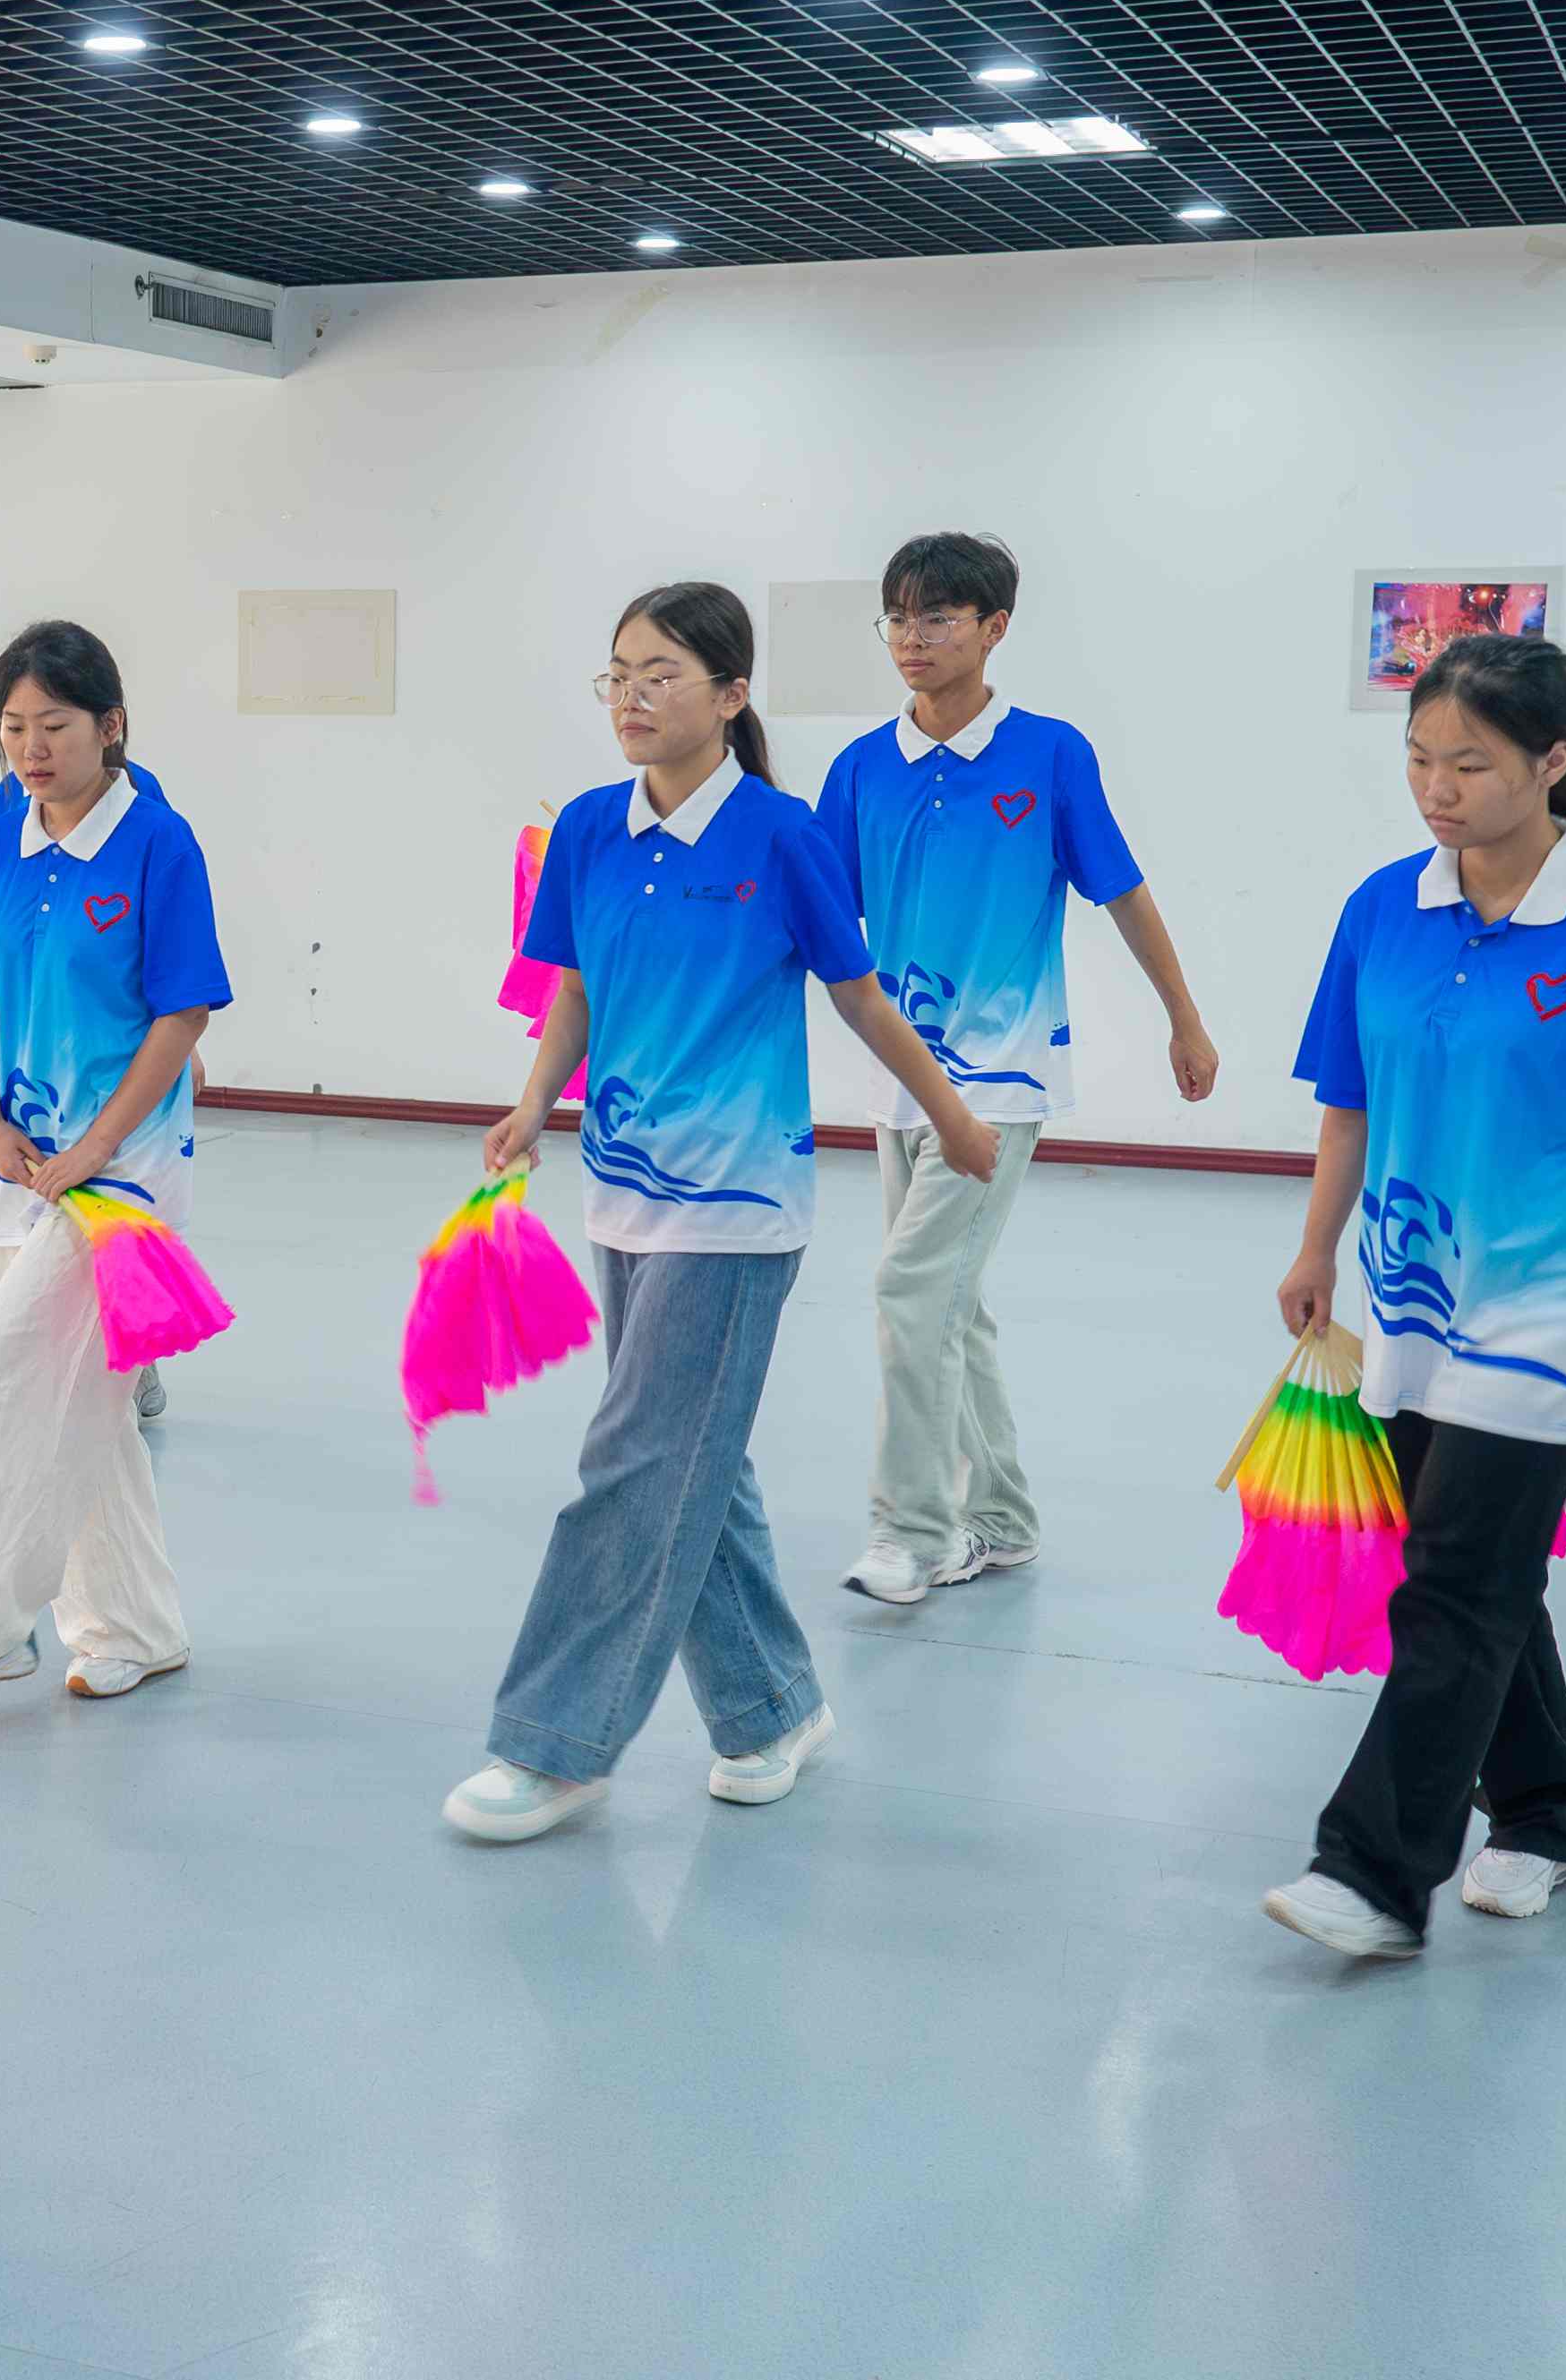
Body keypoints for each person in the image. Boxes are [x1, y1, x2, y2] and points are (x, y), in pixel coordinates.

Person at [441, 583, 1000, 1845]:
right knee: (695, 1456)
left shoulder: (780, 835)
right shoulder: (588, 828)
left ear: (731, 694)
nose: (633, 697)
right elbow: (573, 989)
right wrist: (533, 1104)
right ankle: (769, 1710)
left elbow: (858, 996)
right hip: (623, 1191)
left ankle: (554, 1743)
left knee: (637, 1461)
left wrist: (952, 1116)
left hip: (739, 1204)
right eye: (618, 674)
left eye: (662, 675)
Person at [1259, 634, 1566, 1959]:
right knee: (1476, 1566)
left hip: (1551, 1314)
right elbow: (1347, 1106)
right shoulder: (1381, 909)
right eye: (1418, 759)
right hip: (1411, 1298)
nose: (1436, 788)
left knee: (1454, 1581)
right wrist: (1314, 1250)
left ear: (1552, 761)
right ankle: (1546, 1812)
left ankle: (1372, 1872)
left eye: (1468, 764)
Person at [811, 534, 1220, 1606]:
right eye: (898, 617)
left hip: (1001, 1076)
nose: (912, 638)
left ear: (994, 628)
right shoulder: (860, 768)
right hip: (900, 1078)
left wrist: (1182, 1017)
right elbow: (811, 915)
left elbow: (1121, 890)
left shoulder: (1049, 755)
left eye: (938, 617)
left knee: (910, 1289)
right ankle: (1000, 1520)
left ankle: (914, 1532)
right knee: (950, 1304)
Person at [0, 622, 228, 1701]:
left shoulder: (158, 845)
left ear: (110, 726)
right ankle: (134, 1628)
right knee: (88, 1412)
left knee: (3, 1371)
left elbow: (183, 1015)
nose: (31, 749)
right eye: (12, 728)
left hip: (125, 1172)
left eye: (54, 725)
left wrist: (95, 1146)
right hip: (23, 1166)